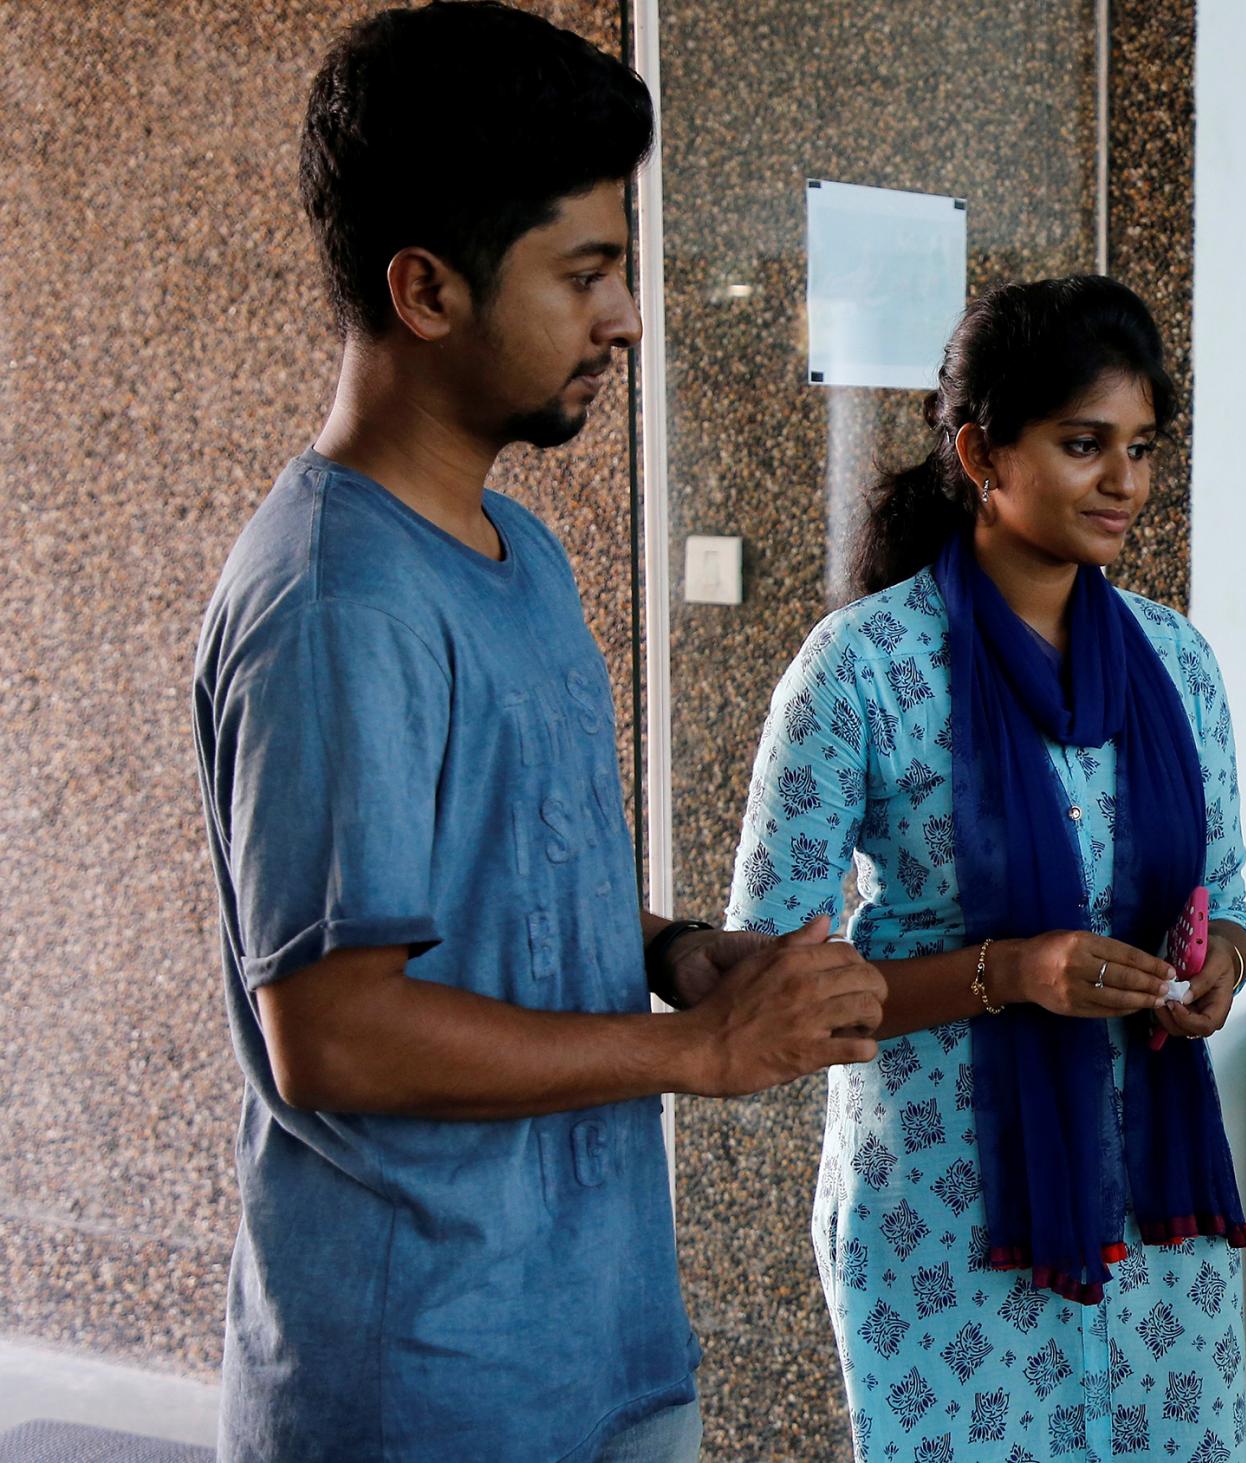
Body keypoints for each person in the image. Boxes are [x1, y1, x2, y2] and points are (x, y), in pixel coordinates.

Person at [190, 7, 886, 1458]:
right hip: (428, 1379)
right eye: (587, 274)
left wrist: (671, 952)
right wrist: (700, 1046)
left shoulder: (519, 547)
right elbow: (335, 1029)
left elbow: (492, 883)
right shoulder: (336, 599)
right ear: (428, 290)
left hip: (604, 1336)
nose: (627, 316)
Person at [728, 276, 1246, 1462]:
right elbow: (764, 984)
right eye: (1083, 444)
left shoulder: (1177, 662)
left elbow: (1225, 897)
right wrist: (1008, 971)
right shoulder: (861, 670)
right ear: (980, 452)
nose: (1123, 481)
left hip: (1154, 1219)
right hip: (946, 1215)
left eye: (1140, 447)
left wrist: (1217, 963)